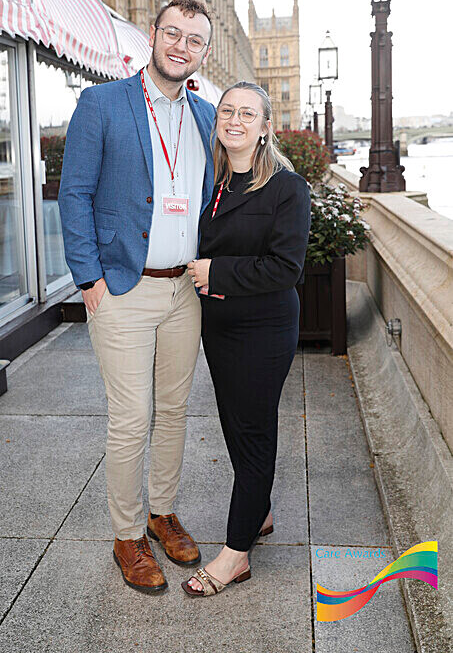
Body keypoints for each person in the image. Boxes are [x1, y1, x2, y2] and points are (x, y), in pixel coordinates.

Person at [58, 0, 215, 594]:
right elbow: (74, 194)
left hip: (186, 290)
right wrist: (88, 278)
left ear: (203, 51)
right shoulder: (102, 103)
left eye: (193, 39)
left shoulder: (205, 115)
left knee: (174, 411)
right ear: (153, 36)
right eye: (172, 33)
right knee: (131, 417)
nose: (180, 45)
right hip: (123, 287)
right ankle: (127, 534)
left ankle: (162, 511)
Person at [182, 82, 311, 597]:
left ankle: (236, 554)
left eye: (247, 114)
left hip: (264, 328)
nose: (235, 120)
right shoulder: (213, 182)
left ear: (265, 128)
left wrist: (218, 273)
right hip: (221, 326)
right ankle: (259, 512)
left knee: (254, 431)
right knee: (235, 425)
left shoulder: (287, 187)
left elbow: (287, 268)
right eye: (227, 111)